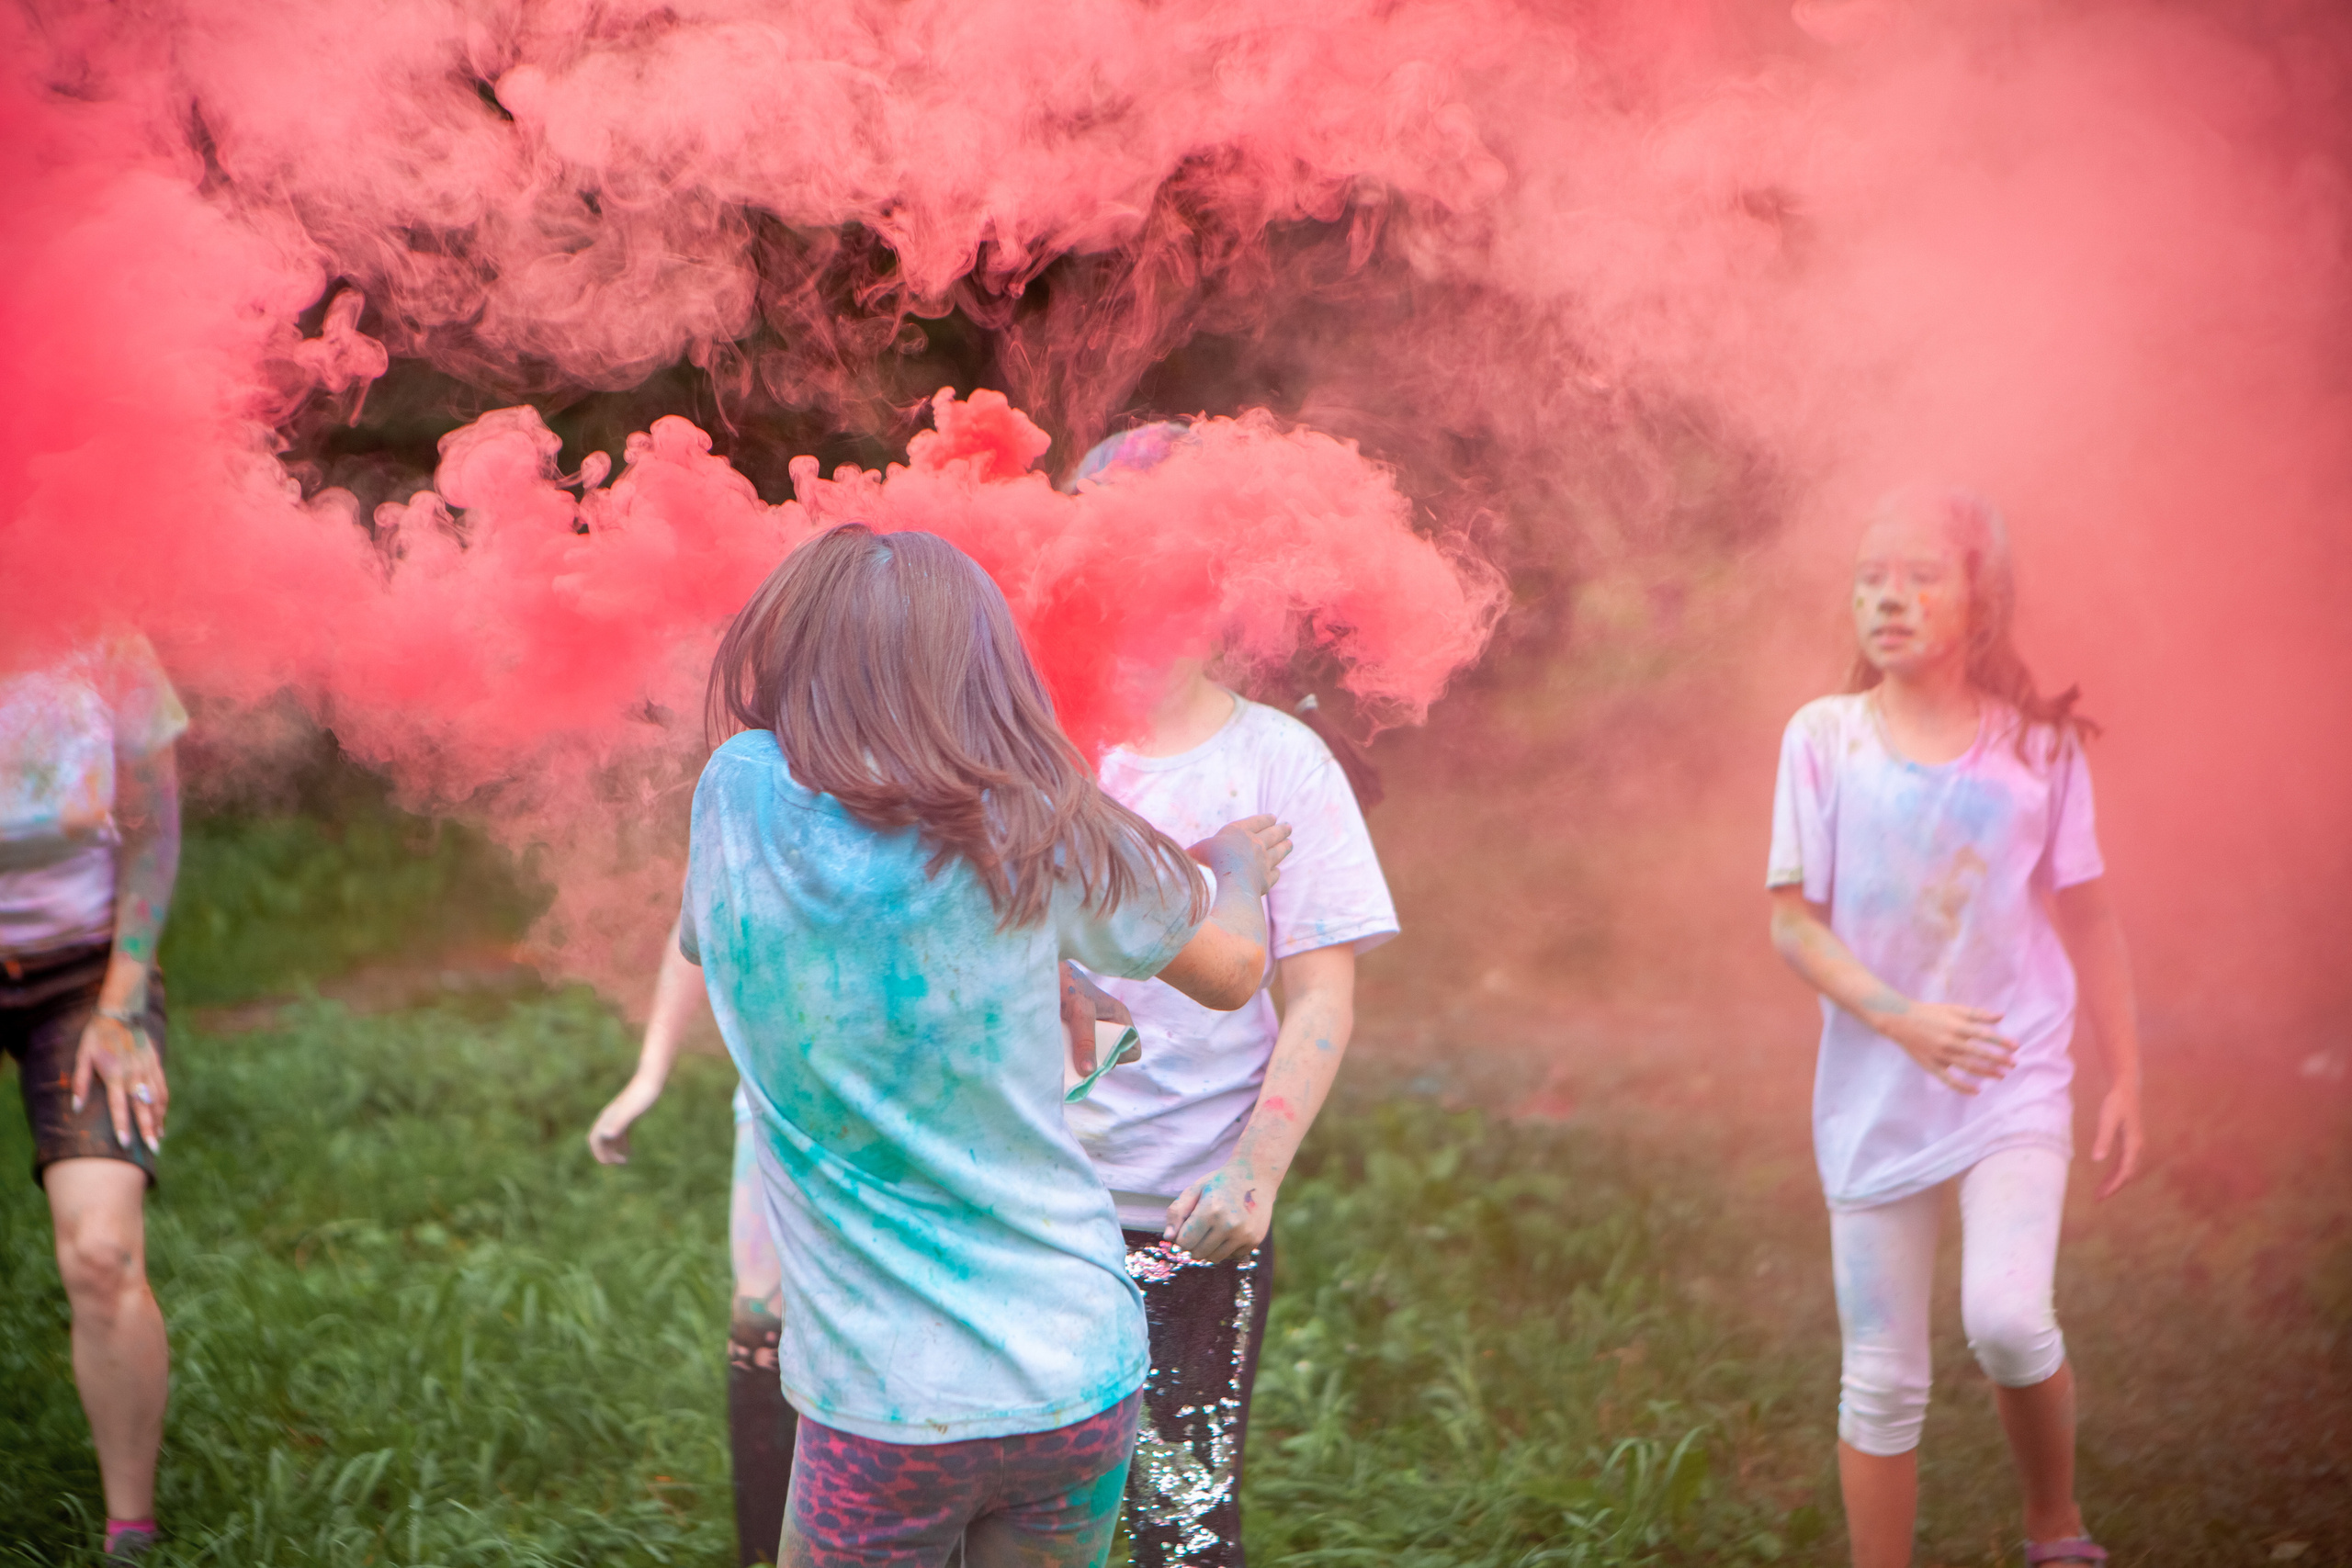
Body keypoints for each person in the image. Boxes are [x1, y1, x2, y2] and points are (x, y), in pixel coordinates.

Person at [682, 524, 1290, 1568]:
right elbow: (1232, 972)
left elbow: (735, 944)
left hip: (887, 1412)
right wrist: (1232, 863)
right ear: (985, 668)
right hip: (1075, 1375)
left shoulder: (738, 794)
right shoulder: (1043, 823)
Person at [1765, 486, 2144, 1568]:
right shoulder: (1821, 741)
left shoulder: (2040, 752)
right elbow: (1792, 927)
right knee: (1880, 1380)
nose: (1888, 598)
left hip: (2011, 1075)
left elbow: (2090, 918)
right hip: (1874, 1097)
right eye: (1869, 576)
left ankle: (2053, 1532)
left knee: (2008, 1323)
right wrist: (1902, 1021)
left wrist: (2124, 1077)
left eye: (1920, 575)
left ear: (1979, 606)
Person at [1056, 423, 1397, 1568]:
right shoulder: (1034, 750)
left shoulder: (1281, 762)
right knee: (1017, 1513)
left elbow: (1318, 999)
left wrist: (1255, 1170)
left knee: (1179, 1528)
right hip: (1028, 1206)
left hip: (1195, 1228)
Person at [1, 629, 187, 1565]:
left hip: (85, 974)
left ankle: (130, 1537)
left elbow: (155, 828)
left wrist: (120, 1006)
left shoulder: (104, 641)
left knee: (104, 1252)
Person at [588, 929, 795, 1565]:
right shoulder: (743, 826)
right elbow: (696, 923)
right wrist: (649, 1073)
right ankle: (766, 1550)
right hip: (774, 1097)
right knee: (759, 1323)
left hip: (919, 1108)